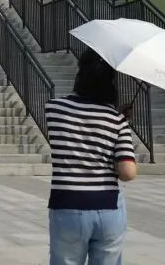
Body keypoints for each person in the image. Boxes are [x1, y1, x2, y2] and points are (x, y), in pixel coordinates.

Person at [46, 48, 137, 265]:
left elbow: (80, 133)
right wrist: (119, 119)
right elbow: (127, 172)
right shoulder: (116, 120)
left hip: (66, 204)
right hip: (107, 206)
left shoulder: (54, 109)